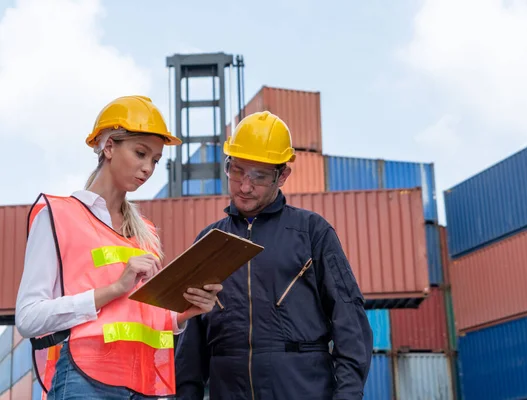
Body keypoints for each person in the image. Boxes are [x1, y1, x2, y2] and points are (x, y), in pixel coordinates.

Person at [15, 95, 223, 400]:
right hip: (85, 382)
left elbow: (141, 318)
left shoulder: (146, 233)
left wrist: (183, 313)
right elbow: (28, 319)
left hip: (145, 385)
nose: (148, 168)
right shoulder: (57, 215)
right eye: (140, 153)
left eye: (154, 160)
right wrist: (113, 289)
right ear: (109, 146)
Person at [175, 111, 373, 400]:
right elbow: (190, 343)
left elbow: (350, 321)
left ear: (283, 176)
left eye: (259, 176)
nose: (244, 186)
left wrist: (347, 395)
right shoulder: (209, 241)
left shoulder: (312, 232)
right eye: (238, 170)